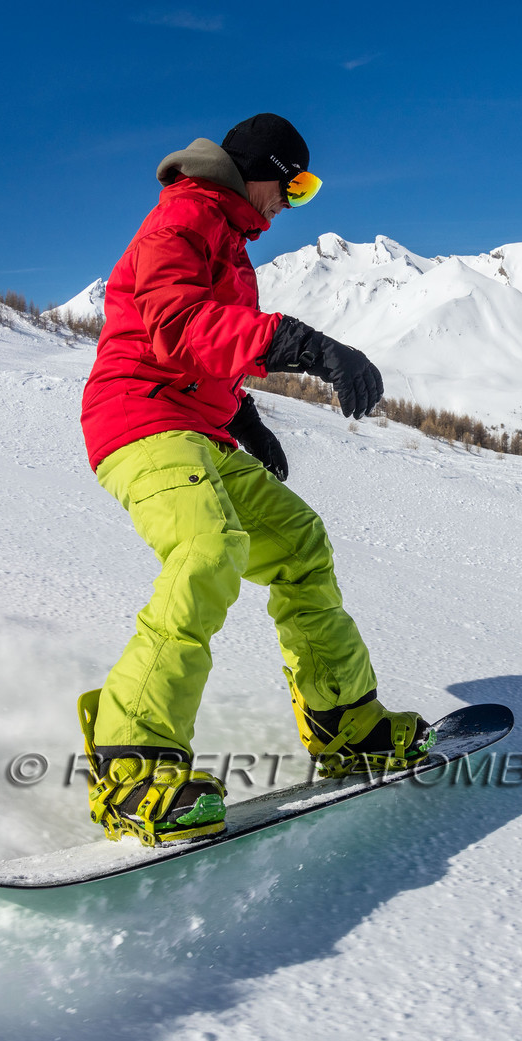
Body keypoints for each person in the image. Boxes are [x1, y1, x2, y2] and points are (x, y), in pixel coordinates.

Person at [75, 114, 434, 847]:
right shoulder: (182, 218)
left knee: (298, 542)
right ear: (260, 170)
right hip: (137, 417)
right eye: (295, 185)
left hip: (197, 425)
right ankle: (132, 763)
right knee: (208, 550)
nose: (293, 203)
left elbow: (204, 345)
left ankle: (346, 722)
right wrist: (299, 343)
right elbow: (177, 324)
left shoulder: (228, 239)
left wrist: (243, 416)